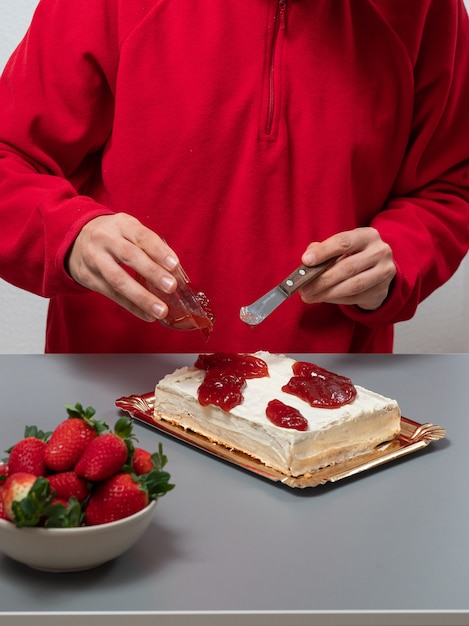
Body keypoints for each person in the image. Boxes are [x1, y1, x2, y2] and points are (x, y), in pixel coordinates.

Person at [0, 0, 468, 354]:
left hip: (325, 403)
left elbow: (450, 186)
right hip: (113, 390)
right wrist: (72, 236)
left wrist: (399, 257)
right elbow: (9, 158)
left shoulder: (425, 10)